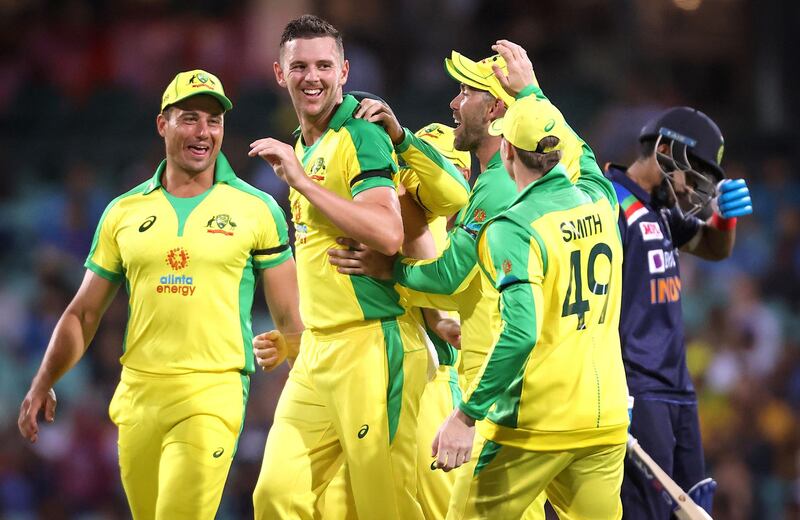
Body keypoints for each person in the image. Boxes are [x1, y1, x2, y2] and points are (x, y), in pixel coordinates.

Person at [17, 69, 304, 519]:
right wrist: (43, 379)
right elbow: (84, 313)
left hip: (214, 392)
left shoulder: (256, 209)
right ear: (162, 125)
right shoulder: (123, 212)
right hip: (139, 398)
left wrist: (299, 373)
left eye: (213, 120)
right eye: (189, 118)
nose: (203, 132)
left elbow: (291, 316)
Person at [433, 42, 630, 519]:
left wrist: (465, 416)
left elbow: (520, 333)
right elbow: (581, 155)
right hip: (603, 422)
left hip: (535, 425)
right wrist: (535, 92)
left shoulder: (513, 227)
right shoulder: (602, 203)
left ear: (504, 150)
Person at [249, 15, 432, 519]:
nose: (313, 77)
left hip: (372, 346)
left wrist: (303, 182)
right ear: (279, 74)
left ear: (345, 71)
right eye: (300, 66)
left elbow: (389, 232)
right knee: (275, 496)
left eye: (324, 65)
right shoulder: (305, 143)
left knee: (385, 507)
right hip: (316, 351)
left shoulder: (361, 136)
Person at [607, 106, 753, 517]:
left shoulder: (663, 209)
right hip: (637, 387)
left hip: (677, 387)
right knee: (645, 511)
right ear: (666, 149)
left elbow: (713, 249)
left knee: (690, 510)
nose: (695, 191)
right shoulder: (608, 202)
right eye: (695, 175)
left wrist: (723, 221)